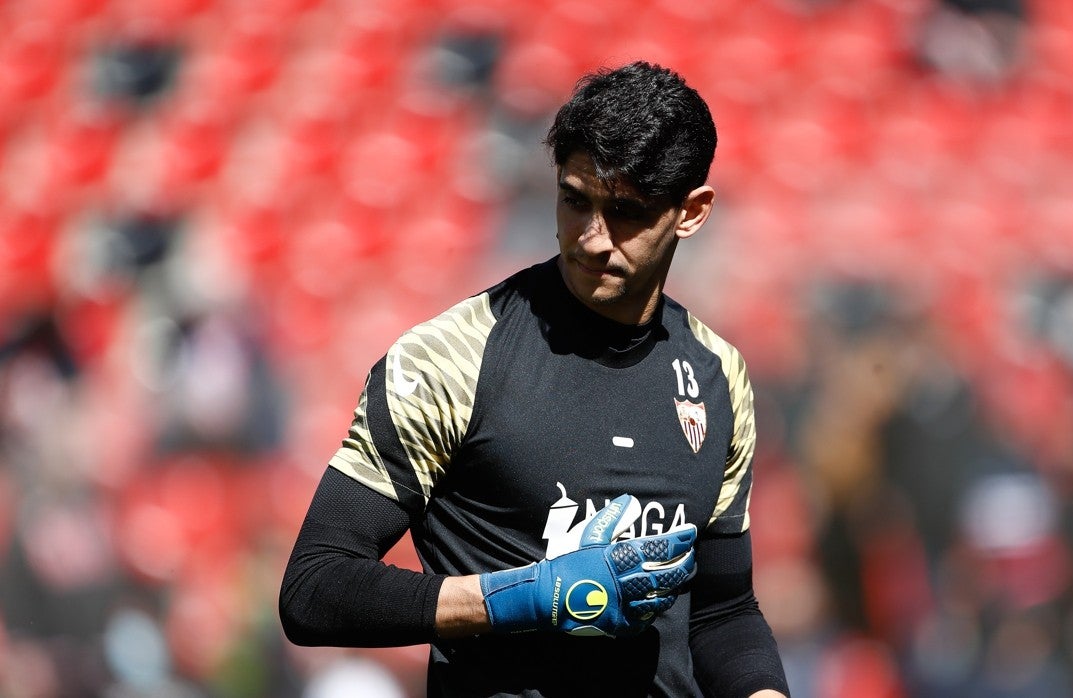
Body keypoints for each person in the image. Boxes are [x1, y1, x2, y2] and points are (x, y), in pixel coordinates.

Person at [279, 61, 790, 698]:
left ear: (691, 212)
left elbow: (722, 611)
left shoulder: (719, 377)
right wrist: (530, 596)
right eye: (576, 200)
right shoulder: (451, 358)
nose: (593, 239)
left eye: (627, 212)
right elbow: (315, 588)